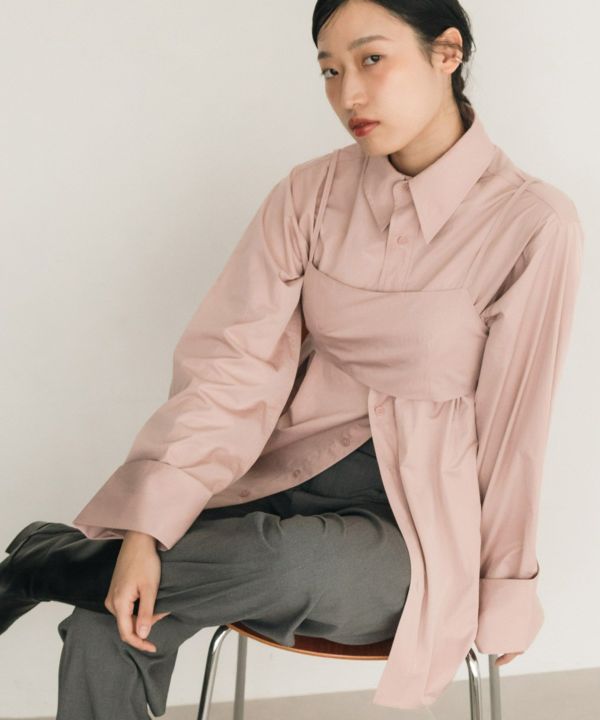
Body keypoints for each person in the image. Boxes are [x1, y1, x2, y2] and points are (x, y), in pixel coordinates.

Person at [0, 0, 584, 716]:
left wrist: (507, 586)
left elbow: (515, 426)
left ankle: (49, 564)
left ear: (447, 53)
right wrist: (147, 531)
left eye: (372, 60)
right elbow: (231, 371)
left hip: (412, 531)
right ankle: (82, 569)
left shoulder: (532, 222)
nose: (349, 94)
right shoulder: (310, 194)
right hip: (277, 479)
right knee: (112, 616)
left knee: (286, 560)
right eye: (330, 71)